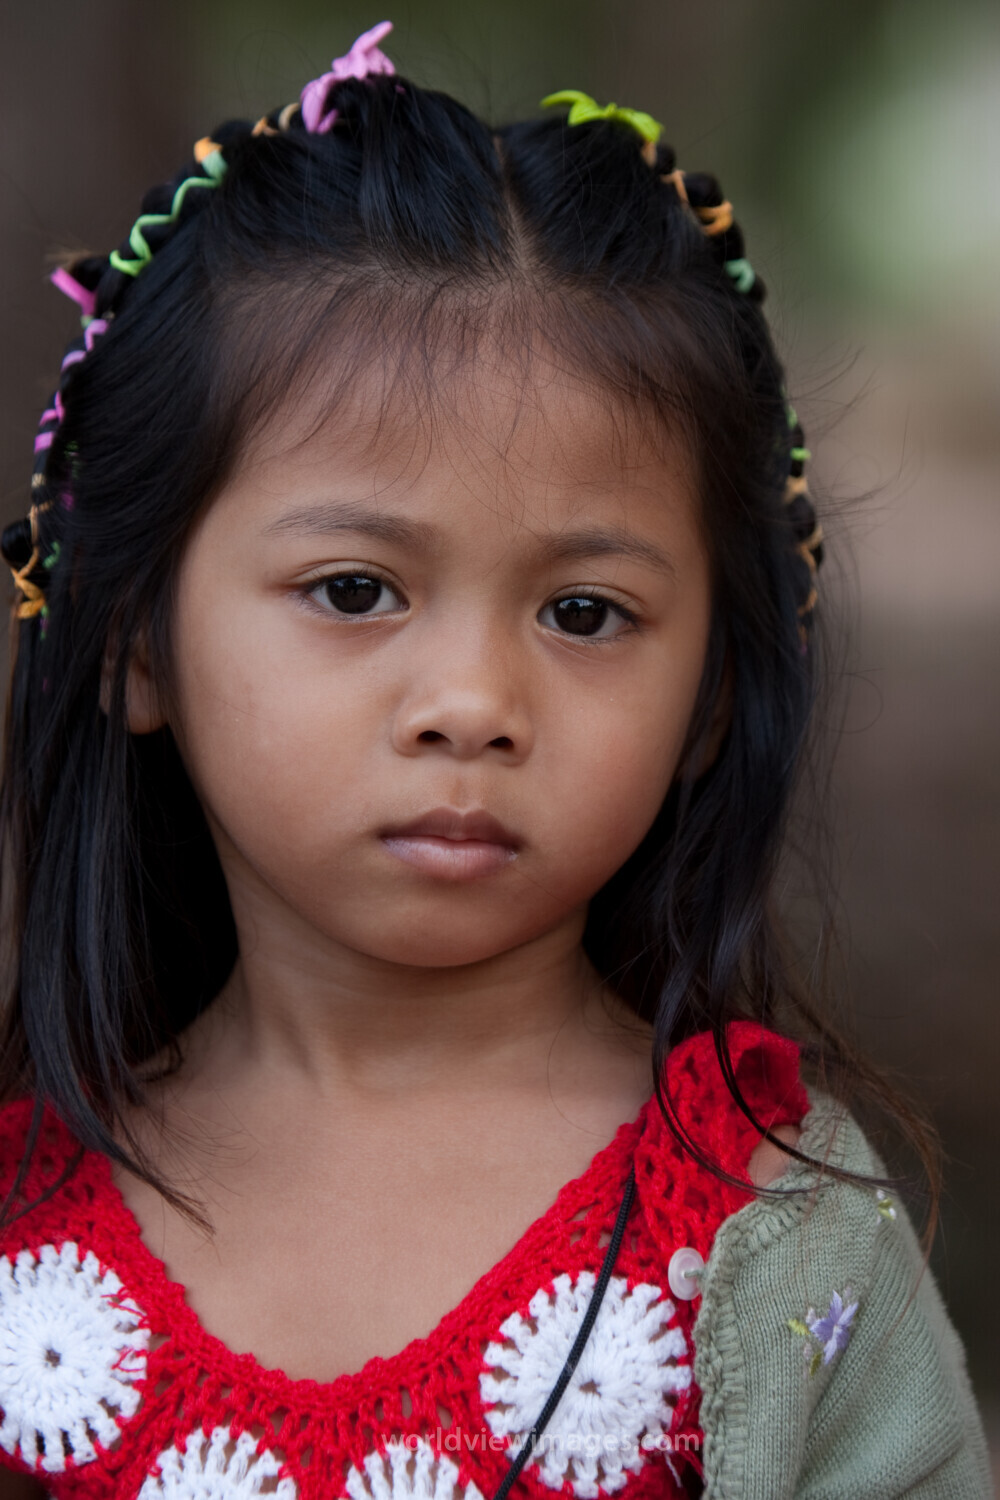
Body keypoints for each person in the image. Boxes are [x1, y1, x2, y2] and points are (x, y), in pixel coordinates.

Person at [0, 21, 990, 1500]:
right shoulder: (27, 1215)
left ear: (714, 692)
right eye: (354, 590)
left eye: (585, 613)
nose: (472, 702)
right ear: (134, 640)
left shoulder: (777, 1241)